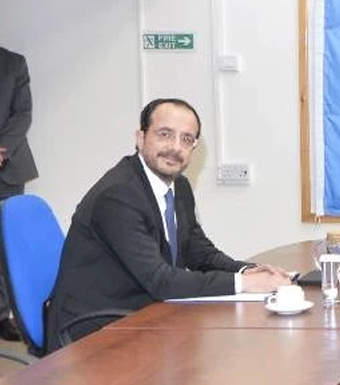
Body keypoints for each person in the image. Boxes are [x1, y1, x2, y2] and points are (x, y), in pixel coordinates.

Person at [47, 98, 293, 348]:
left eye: (186, 139)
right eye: (165, 134)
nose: (175, 147)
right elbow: (161, 280)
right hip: (95, 330)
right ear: (140, 138)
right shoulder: (118, 196)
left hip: (145, 312)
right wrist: (246, 284)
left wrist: (247, 271)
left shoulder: (179, 186)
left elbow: (199, 252)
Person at [0, 47, 39, 341]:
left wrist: (1, 149)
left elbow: (23, 113)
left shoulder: (13, 63)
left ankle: (4, 315)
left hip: (7, 167)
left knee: (6, 246)